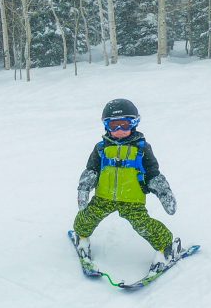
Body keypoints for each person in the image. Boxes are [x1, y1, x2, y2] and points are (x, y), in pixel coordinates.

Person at [73, 98, 182, 272]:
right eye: (114, 125)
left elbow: (153, 173)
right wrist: (84, 188)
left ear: (134, 124)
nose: (119, 130)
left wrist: (163, 192)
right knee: (87, 218)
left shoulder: (142, 148)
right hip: (103, 197)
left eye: (124, 125)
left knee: (143, 225)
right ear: (106, 126)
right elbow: (91, 170)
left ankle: (166, 247)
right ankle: (82, 237)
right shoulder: (101, 148)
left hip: (132, 199)